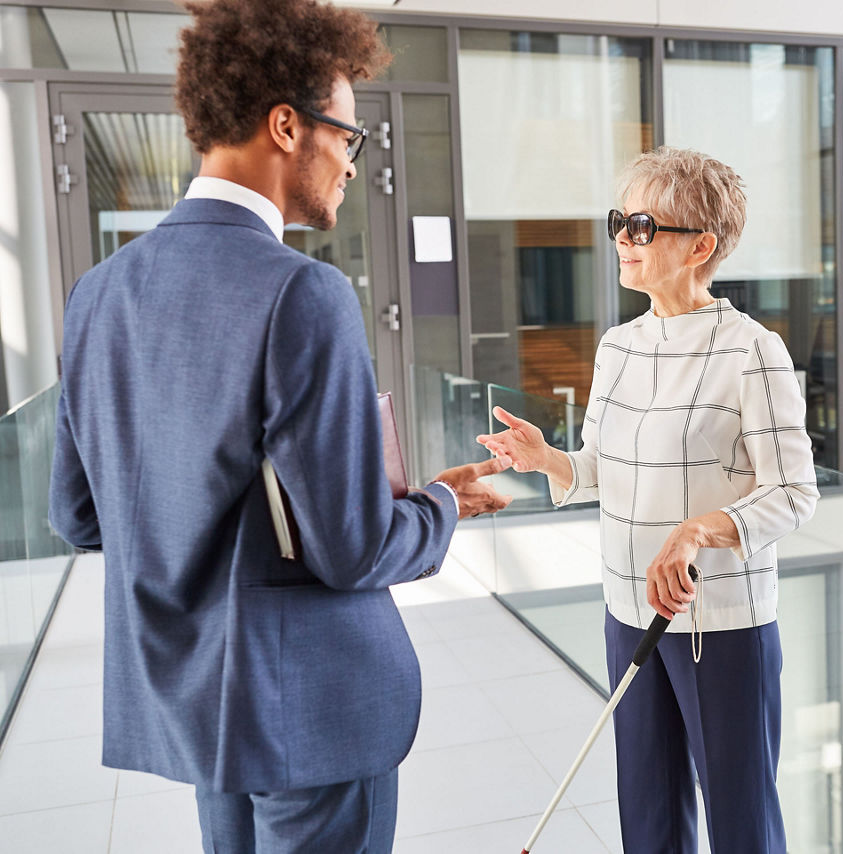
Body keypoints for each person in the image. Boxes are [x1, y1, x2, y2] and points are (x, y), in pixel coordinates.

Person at [47, 1, 511, 850]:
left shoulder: (98, 294)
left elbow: (77, 516)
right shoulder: (303, 292)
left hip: (201, 710)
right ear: (288, 126)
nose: (352, 163)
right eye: (350, 136)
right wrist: (437, 507)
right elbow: (354, 550)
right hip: (310, 709)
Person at [477, 146, 818, 853]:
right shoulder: (618, 346)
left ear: (702, 246)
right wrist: (548, 459)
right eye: (620, 223)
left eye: (642, 226)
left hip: (720, 628)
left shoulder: (752, 351)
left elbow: (793, 494)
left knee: (741, 825)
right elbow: (600, 468)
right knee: (649, 819)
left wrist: (700, 530)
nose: (623, 242)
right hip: (627, 611)